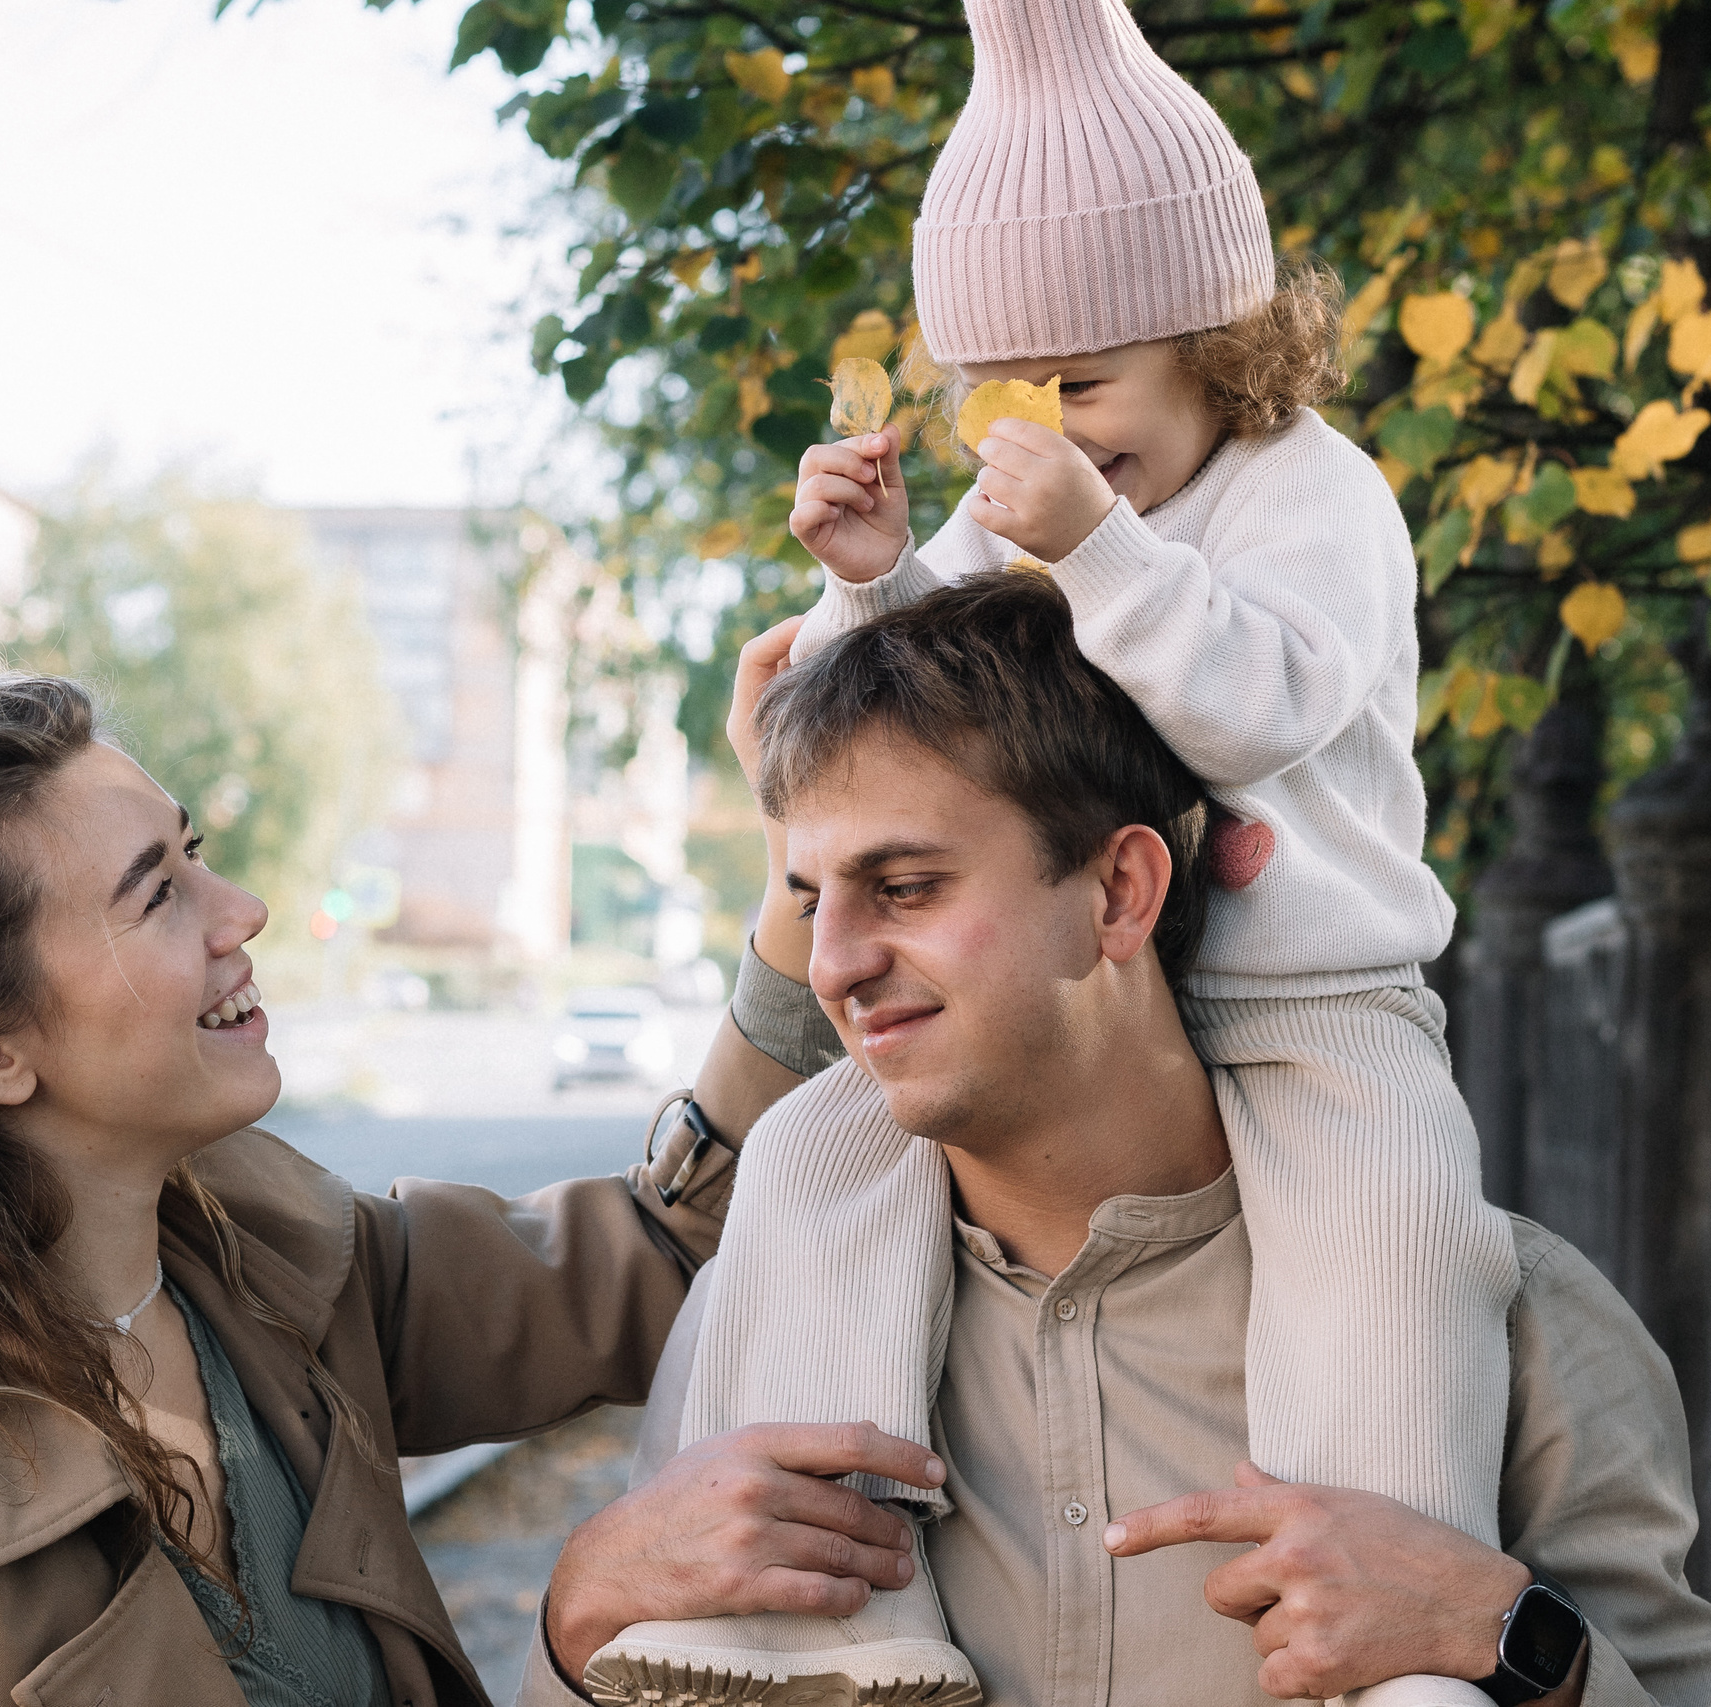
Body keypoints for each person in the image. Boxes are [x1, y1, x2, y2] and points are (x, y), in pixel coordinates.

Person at [594, 0, 1517, 1699]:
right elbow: (928, 716)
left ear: (1218, 338)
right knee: (814, 1168)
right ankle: (829, 1621)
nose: (1050, 428)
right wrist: (871, 574)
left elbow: (1259, 706)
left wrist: (1095, 546)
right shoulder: (1049, 480)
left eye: (1087, 382)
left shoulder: (1311, 492)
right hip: (1069, 1004)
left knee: (1392, 1238)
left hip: (1315, 998)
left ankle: (1386, 1642)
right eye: (1006, 395)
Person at [0, 669, 876, 1707]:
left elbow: (665, 1252)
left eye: (193, 851)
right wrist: (578, 1611)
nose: (239, 906)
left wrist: (805, 883)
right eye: (157, 893)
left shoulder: (280, 1269)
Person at [541, 579, 1711, 1707]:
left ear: (1119, 891)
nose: (837, 965)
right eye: (812, 902)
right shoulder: (760, 1308)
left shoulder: (1503, 1318)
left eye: (903, 887)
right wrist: (581, 1612)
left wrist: (1510, 1636)